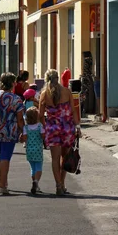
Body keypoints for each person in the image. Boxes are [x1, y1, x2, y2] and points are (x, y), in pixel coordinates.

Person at [39, 68, 80, 196]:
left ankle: (58, 185)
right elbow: (73, 111)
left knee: (55, 159)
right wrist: (77, 127)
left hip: (53, 129)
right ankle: (62, 183)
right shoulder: (67, 91)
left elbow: (40, 115)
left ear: (47, 80)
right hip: (67, 129)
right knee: (65, 157)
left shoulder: (44, 94)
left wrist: (45, 127)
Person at [22, 106, 45, 195]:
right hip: (38, 149)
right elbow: (43, 136)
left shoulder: (26, 127)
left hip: (29, 150)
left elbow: (24, 138)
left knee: (32, 168)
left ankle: (35, 183)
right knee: (39, 167)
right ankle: (36, 181)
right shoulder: (40, 126)